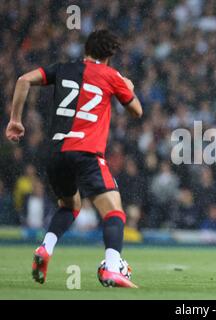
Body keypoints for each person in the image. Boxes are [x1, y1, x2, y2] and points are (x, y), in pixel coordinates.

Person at [5, 30, 143, 288]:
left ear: (86, 51)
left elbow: (23, 80)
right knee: (114, 211)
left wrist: (15, 120)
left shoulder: (63, 68)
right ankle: (112, 268)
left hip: (57, 153)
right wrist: (128, 86)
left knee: (70, 205)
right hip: (87, 153)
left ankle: (46, 248)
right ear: (109, 56)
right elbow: (137, 110)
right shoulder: (112, 76)